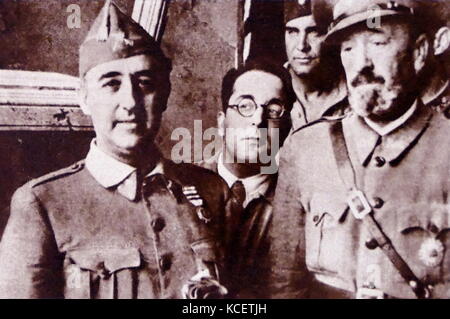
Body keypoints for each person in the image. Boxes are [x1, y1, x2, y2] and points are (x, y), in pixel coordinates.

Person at [0, 1, 235, 299]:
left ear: (163, 96)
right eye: (111, 84)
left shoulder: (211, 192)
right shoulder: (41, 205)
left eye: (145, 83)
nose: (130, 102)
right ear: (84, 99)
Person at [267, 0, 450, 299]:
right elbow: (284, 284)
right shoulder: (305, 148)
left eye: (378, 43)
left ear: (418, 53)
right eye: (349, 48)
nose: (361, 63)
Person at [199, 60, 295, 297]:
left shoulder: (299, 202)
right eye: (245, 106)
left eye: (273, 110)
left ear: (285, 128)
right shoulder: (181, 188)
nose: (258, 120)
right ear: (222, 122)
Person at [284, 0, 347, 131]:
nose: (301, 46)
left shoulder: (353, 92)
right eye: (293, 32)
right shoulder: (270, 90)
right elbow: (264, 151)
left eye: (314, 32)